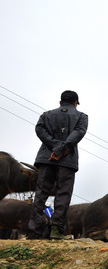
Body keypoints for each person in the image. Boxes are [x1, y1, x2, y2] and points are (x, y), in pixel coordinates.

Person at [28, 90, 88, 240]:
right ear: (75, 103)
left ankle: (34, 232)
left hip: (46, 158)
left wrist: (54, 146)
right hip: (67, 161)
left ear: (60, 102)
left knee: (41, 194)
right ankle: (56, 231)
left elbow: (39, 129)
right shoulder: (82, 117)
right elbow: (78, 133)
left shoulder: (46, 115)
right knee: (63, 193)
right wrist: (61, 148)